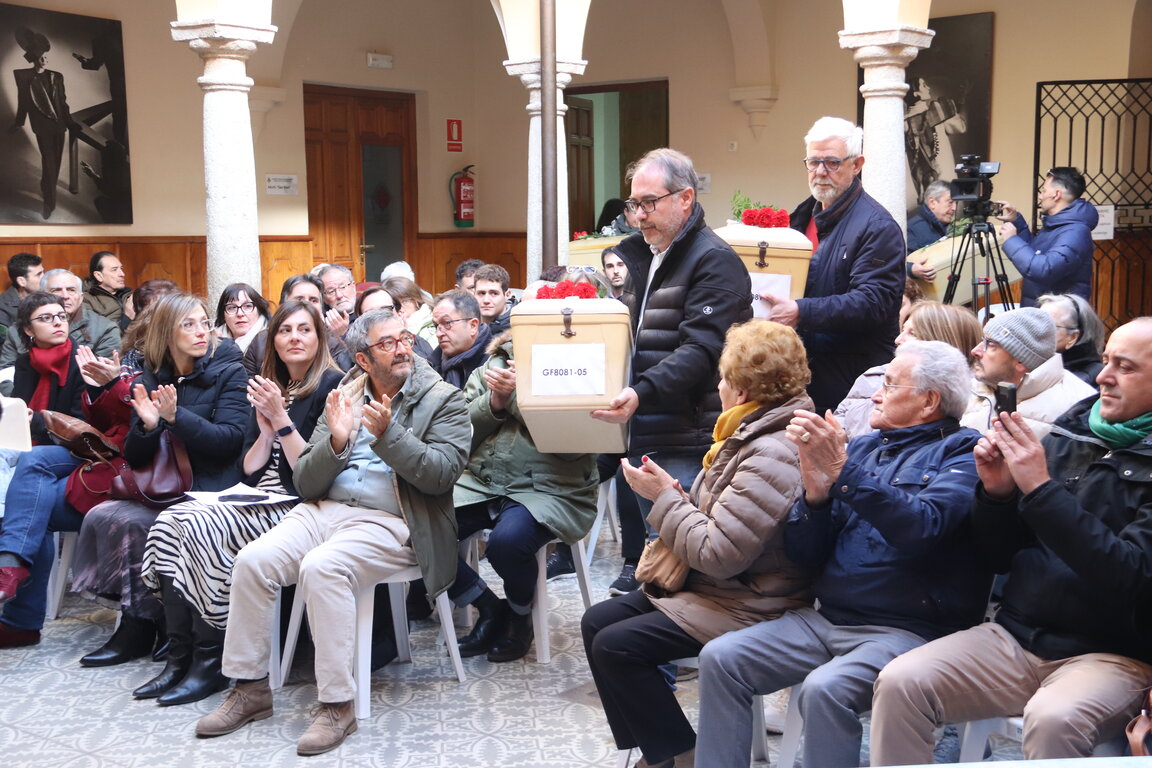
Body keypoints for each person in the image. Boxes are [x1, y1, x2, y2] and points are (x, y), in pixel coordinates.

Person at [869, 317, 1152, 764]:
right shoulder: (1076, 427)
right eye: (1104, 361)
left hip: (1111, 654)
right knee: (903, 680)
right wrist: (998, 494)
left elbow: (1133, 578)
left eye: (1126, 367)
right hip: (1017, 637)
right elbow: (999, 555)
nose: (1102, 376)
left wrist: (1041, 490)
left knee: (1055, 719)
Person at [695, 340, 990, 768]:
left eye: (889, 385)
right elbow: (805, 554)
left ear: (929, 401)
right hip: (827, 618)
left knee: (824, 689)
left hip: (906, 630)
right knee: (721, 658)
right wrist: (814, 498)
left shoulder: (963, 453)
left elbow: (923, 527)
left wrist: (840, 470)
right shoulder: (867, 448)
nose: (875, 394)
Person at [195, 309, 469, 756]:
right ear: (363, 359)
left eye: (404, 338)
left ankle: (337, 705)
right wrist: (338, 443)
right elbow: (305, 482)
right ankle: (249, 689)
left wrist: (388, 436)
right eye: (388, 343)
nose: (403, 348)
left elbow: (441, 477)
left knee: (323, 567)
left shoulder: (443, 399)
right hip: (324, 510)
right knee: (252, 561)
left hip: (394, 521)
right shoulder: (343, 395)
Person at [582, 321, 816, 768]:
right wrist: (676, 493)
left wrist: (665, 499)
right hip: (719, 588)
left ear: (743, 390)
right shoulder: (748, 431)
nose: (719, 386)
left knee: (617, 646)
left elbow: (720, 554)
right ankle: (663, 750)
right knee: (598, 622)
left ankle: (677, 756)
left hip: (751, 601)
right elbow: (723, 522)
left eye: (724, 379)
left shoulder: (772, 451)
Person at [136, 302, 342, 706]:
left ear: (320, 340)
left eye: (305, 330)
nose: (294, 338)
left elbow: (313, 475)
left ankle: (211, 663)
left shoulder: (332, 386)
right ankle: (181, 657)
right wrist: (265, 432)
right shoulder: (270, 386)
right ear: (274, 341)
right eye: (285, 331)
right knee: (171, 520)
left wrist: (282, 423)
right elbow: (249, 467)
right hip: (256, 495)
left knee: (203, 528)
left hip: (301, 506)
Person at [70, 293, 248, 667]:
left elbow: (230, 442)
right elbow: (134, 456)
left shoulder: (229, 370)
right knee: (104, 515)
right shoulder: (153, 376)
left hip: (212, 487)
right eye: (189, 324)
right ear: (167, 333)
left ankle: (162, 627)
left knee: (139, 523)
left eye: (204, 322)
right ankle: (142, 623)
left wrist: (175, 416)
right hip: (167, 487)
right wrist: (149, 426)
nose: (201, 332)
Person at [590, 148, 752, 553]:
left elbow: (702, 350)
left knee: (678, 555)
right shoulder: (647, 256)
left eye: (649, 203)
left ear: (685, 199)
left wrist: (641, 391)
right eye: (634, 204)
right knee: (653, 556)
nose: (639, 215)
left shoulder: (714, 261)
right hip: (647, 426)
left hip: (690, 435)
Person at [447, 330, 598, 662]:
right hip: (482, 483)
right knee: (423, 527)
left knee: (507, 543)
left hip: (549, 486)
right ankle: (488, 608)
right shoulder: (490, 367)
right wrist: (494, 402)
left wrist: (514, 396)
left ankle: (519, 614)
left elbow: (572, 446)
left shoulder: (576, 367)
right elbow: (459, 432)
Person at [0, 296, 133, 648]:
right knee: (33, 505)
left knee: (30, 468)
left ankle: (11, 571)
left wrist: (36, 423)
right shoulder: (26, 362)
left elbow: (83, 421)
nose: (58, 322)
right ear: (29, 330)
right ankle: (22, 623)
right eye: (46, 318)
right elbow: (25, 409)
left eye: (61, 316)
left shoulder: (84, 360)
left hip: (84, 450)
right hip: (42, 451)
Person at [761, 116, 906, 413]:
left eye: (832, 163)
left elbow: (873, 302)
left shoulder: (878, 227)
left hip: (851, 384)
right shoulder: (800, 219)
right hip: (802, 376)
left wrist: (801, 311)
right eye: (813, 162)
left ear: (857, 164)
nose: (820, 172)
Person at [835, 301, 982, 438]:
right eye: (903, 330)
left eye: (912, 333)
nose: (898, 339)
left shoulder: (973, 401)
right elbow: (837, 427)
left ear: (943, 343)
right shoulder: (873, 376)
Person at [961, 307, 1095, 440]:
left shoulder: (1079, 408)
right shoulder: (967, 388)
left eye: (989, 344)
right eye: (982, 340)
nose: (975, 351)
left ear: (1020, 360)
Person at [994, 166, 1097, 307]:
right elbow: (1034, 253)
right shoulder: (1059, 224)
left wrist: (1012, 241)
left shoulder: (1076, 232)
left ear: (1056, 194)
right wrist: (1016, 221)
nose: (1041, 196)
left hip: (1059, 320)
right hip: (1043, 314)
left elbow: (1045, 269)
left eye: (1043, 191)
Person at [0, 269, 121, 386]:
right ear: (42, 296)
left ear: (81, 297)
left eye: (71, 290)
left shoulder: (105, 329)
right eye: (56, 290)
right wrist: (19, 403)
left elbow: (102, 378)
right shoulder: (19, 330)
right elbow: (5, 374)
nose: (65, 296)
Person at [11, 27, 77, 220]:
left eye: (45, 57)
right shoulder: (23, 76)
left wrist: (70, 123)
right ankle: (49, 203)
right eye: (41, 57)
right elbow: (23, 101)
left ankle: (45, 187)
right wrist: (19, 122)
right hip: (42, 128)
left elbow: (63, 103)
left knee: (54, 165)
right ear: (34, 58)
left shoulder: (57, 76)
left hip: (60, 127)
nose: (44, 60)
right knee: (49, 165)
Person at [243, 274, 353, 375]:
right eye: (299, 300)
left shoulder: (333, 343)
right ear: (283, 305)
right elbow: (246, 387)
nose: (306, 305)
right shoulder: (261, 341)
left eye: (313, 300)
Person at [1037, 292, 1107, 387]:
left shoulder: (1088, 380)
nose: (1037, 330)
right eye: (1035, 322)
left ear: (1072, 337)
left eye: (1049, 325)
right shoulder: (1036, 363)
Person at [428, 288, 491, 389]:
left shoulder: (495, 366)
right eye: (436, 326)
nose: (438, 333)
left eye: (447, 323)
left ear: (473, 326)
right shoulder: (431, 365)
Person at [905, 180, 954, 280]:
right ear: (932, 202)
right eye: (950, 202)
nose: (954, 208)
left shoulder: (953, 226)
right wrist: (911, 269)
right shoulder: (912, 228)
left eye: (956, 203)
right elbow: (894, 264)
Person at [213, 282, 270, 355]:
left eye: (248, 306)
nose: (240, 314)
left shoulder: (272, 340)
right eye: (232, 307)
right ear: (223, 314)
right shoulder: (211, 344)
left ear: (259, 310)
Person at [382, 275, 435, 345]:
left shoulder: (433, 326)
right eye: (395, 305)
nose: (401, 310)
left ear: (416, 300)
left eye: (405, 301)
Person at [0, 253, 45, 329]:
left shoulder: (50, 296)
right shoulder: (2, 307)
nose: (44, 277)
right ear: (21, 281)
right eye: (39, 274)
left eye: (44, 272)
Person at [83, 251, 131, 323]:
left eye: (121, 268)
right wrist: (127, 317)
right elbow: (95, 332)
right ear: (99, 276)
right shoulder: (86, 300)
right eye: (114, 270)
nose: (122, 274)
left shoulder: (130, 295)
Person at [318, 264, 357, 338]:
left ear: (353, 287)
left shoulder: (367, 309)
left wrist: (343, 334)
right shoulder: (321, 323)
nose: (339, 295)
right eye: (331, 291)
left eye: (343, 287)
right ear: (324, 299)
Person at [473, 263, 513, 335]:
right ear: (474, 294)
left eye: (494, 293)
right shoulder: (465, 324)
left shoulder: (520, 325)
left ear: (507, 295)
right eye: (481, 293)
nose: (486, 300)